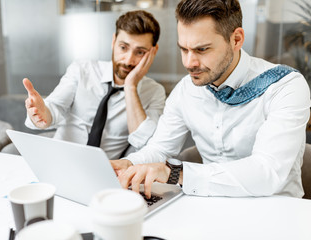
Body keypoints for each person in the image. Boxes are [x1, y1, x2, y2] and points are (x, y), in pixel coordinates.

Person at [112, 0, 311, 199]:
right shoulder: (185, 90)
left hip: (276, 213)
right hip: (210, 206)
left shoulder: (285, 85)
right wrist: (128, 164)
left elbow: (267, 172)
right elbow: (159, 148)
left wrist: (175, 173)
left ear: (236, 39)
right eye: (184, 49)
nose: (189, 63)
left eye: (202, 49)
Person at [23, 10, 166, 159]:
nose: (128, 60)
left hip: (107, 174)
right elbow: (54, 108)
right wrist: (41, 114)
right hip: (59, 161)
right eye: (123, 47)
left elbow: (145, 143)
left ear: (153, 51)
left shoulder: (155, 92)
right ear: (113, 41)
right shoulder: (82, 70)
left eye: (140, 52)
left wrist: (130, 86)